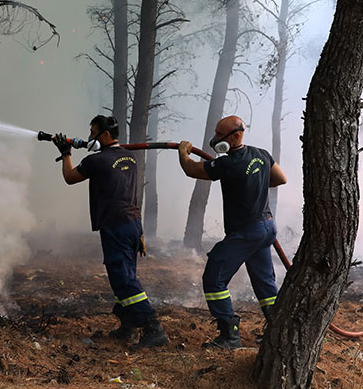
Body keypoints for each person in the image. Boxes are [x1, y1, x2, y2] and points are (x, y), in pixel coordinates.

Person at [52, 115, 168, 348]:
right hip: (133, 223)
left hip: (115, 225)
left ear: (105, 135)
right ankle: (128, 327)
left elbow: (69, 177)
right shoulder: (130, 157)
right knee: (126, 276)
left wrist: (66, 153)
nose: (90, 137)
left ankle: (153, 327)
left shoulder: (97, 161)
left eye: (93, 133)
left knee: (123, 278)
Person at [177, 115, 288, 349]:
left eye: (220, 135)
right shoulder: (262, 154)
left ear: (236, 136)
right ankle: (279, 334)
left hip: (246, 232)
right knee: (265, 284)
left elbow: (191, 170)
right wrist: (253, 181)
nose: (215, 138)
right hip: (267, 228)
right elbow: (280, 178)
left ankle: (229, 335)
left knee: (214, 277)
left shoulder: (228, 163)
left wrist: (183, 152)